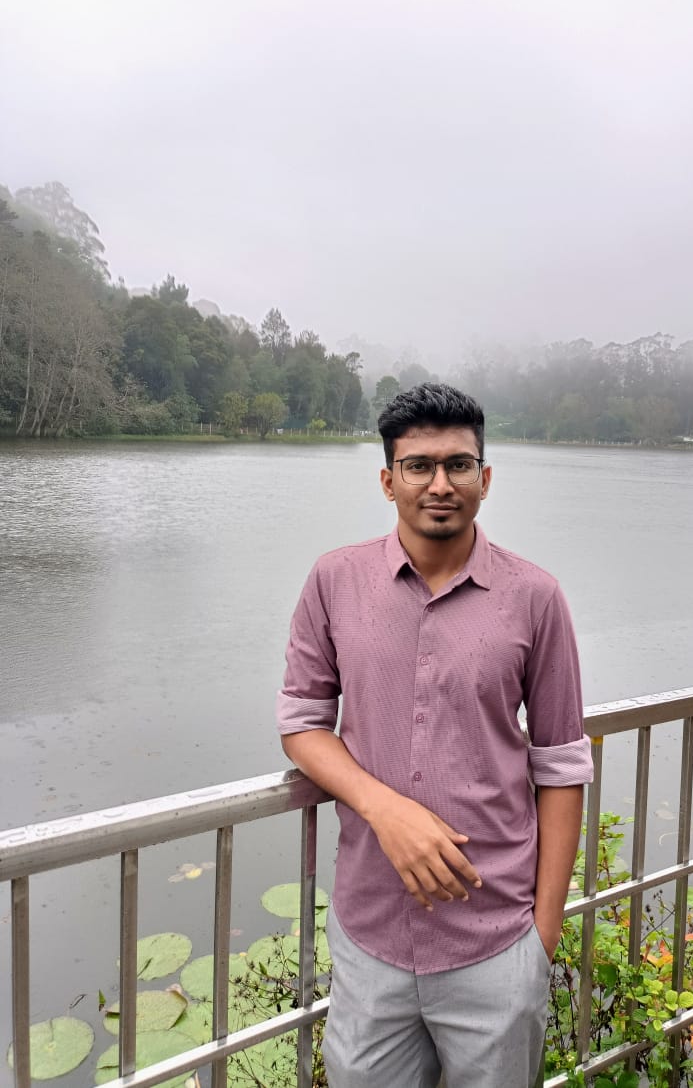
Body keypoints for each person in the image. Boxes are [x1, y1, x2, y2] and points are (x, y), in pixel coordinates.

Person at [276, 382, 592, 1088]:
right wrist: (384, 809)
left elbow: (561, 764)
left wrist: (541, 935)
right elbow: (302, 721)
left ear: (485, 478)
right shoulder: (334, 580)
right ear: (388, 480)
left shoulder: (535, 597)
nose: (439, 484)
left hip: (496, 937)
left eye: (458, 465)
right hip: (370, 932)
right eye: (418, 466)